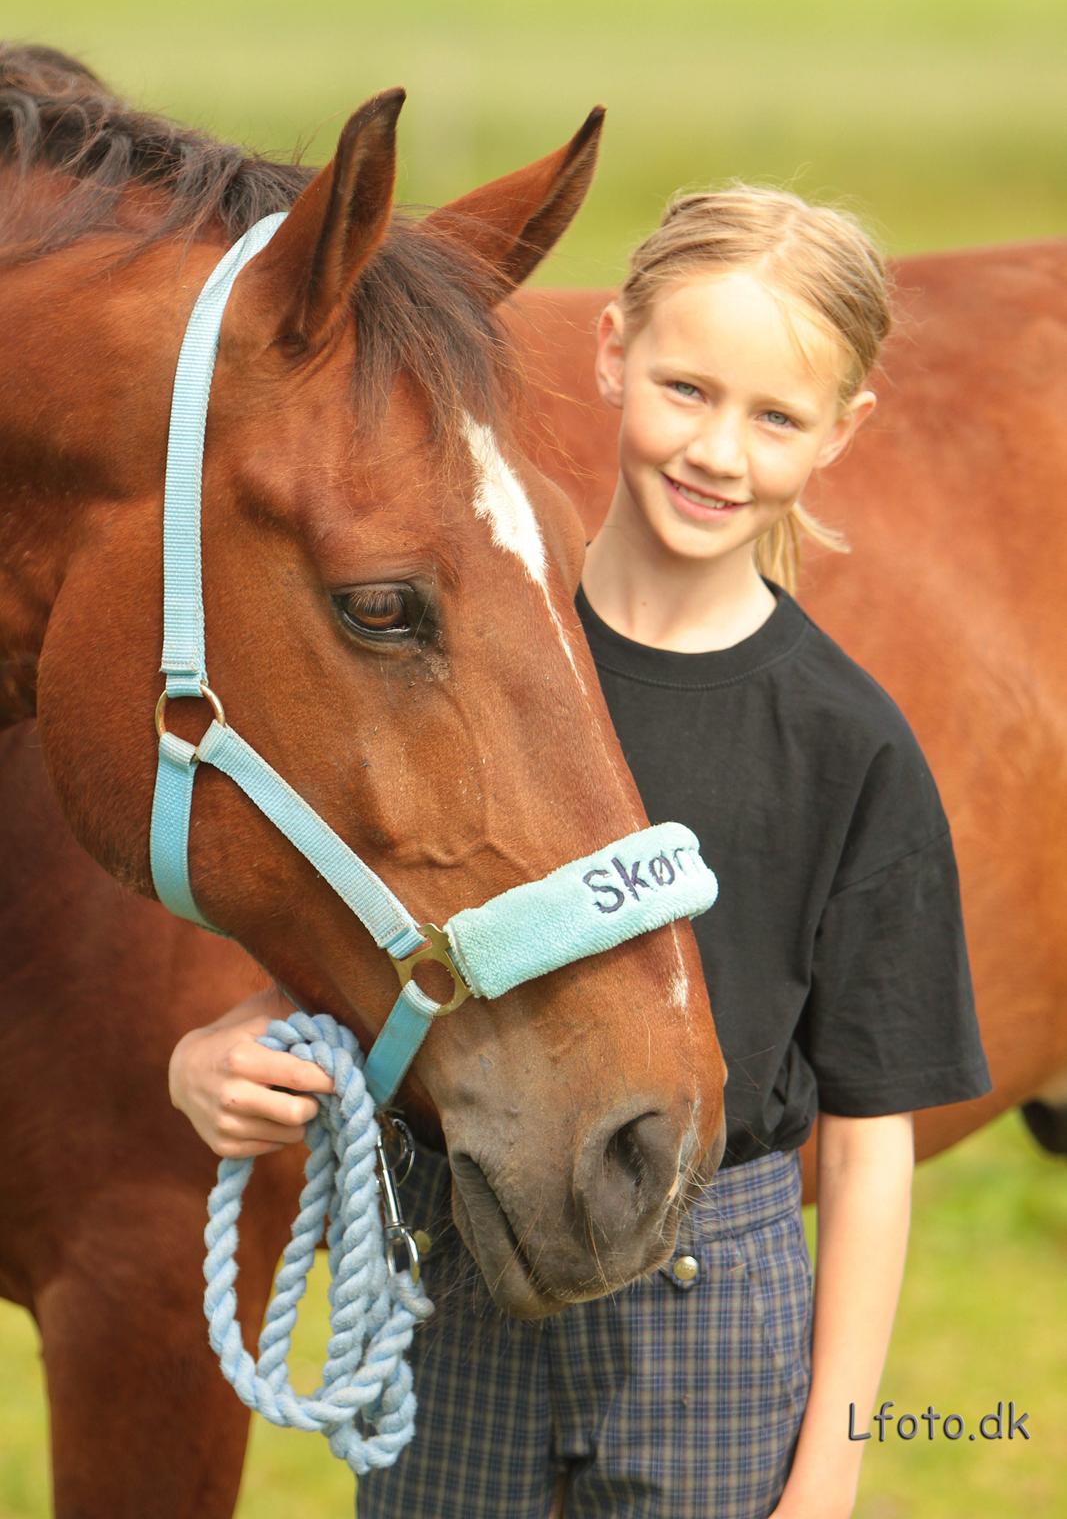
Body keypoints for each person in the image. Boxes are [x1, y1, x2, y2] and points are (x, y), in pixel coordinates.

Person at [169, 185, 992, 1519]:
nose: (717, 449)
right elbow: (395, 931)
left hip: (711, 1315)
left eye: (775, 417)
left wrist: (835, 1462)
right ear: (611, 352)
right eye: (687, 389)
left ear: (841, 432)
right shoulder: (454, 665)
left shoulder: (849, 743)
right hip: (461, 1280)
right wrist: (222, 1048)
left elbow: (867, 1139)